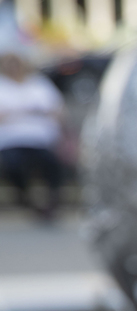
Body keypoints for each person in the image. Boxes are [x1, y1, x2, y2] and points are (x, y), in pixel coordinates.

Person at [0, 50, 66, 219]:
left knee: (53, 165)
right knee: (14, 165)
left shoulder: (39, 84)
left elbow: (57, 110)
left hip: (40, 140)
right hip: (11, 140)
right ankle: (27, 200)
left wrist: (17, 113)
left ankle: (51, 204)